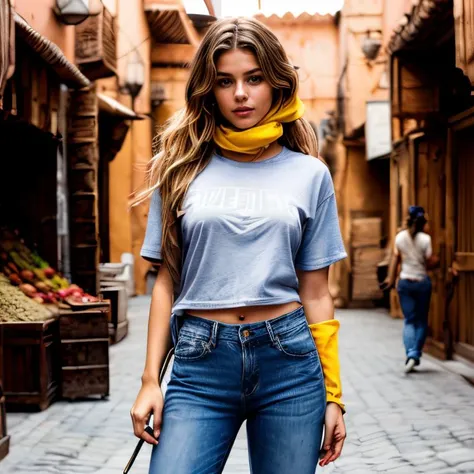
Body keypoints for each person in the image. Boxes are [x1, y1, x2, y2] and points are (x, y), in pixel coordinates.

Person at [130, 17, 347, 474]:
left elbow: (316, 292)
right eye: (225, 81)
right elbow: (166, 281)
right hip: (201, 364)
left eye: (254, 78)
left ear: (277, 83)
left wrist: (334, 397)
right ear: (209, 89)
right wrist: (150, 381)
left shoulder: (310, 175)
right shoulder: (180, 170)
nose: (241, 94)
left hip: (289, 361)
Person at [383, 206, 439, 373]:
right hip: (422, 282)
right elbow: (429, 262)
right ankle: (415, 354)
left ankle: (409, 354)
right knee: (421, 321)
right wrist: (437, 261)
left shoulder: (400, 237)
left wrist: (390, 279)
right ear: (423, 222)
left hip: (405, 283)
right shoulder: (425, 239)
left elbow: (396, 259)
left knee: (409, 320)